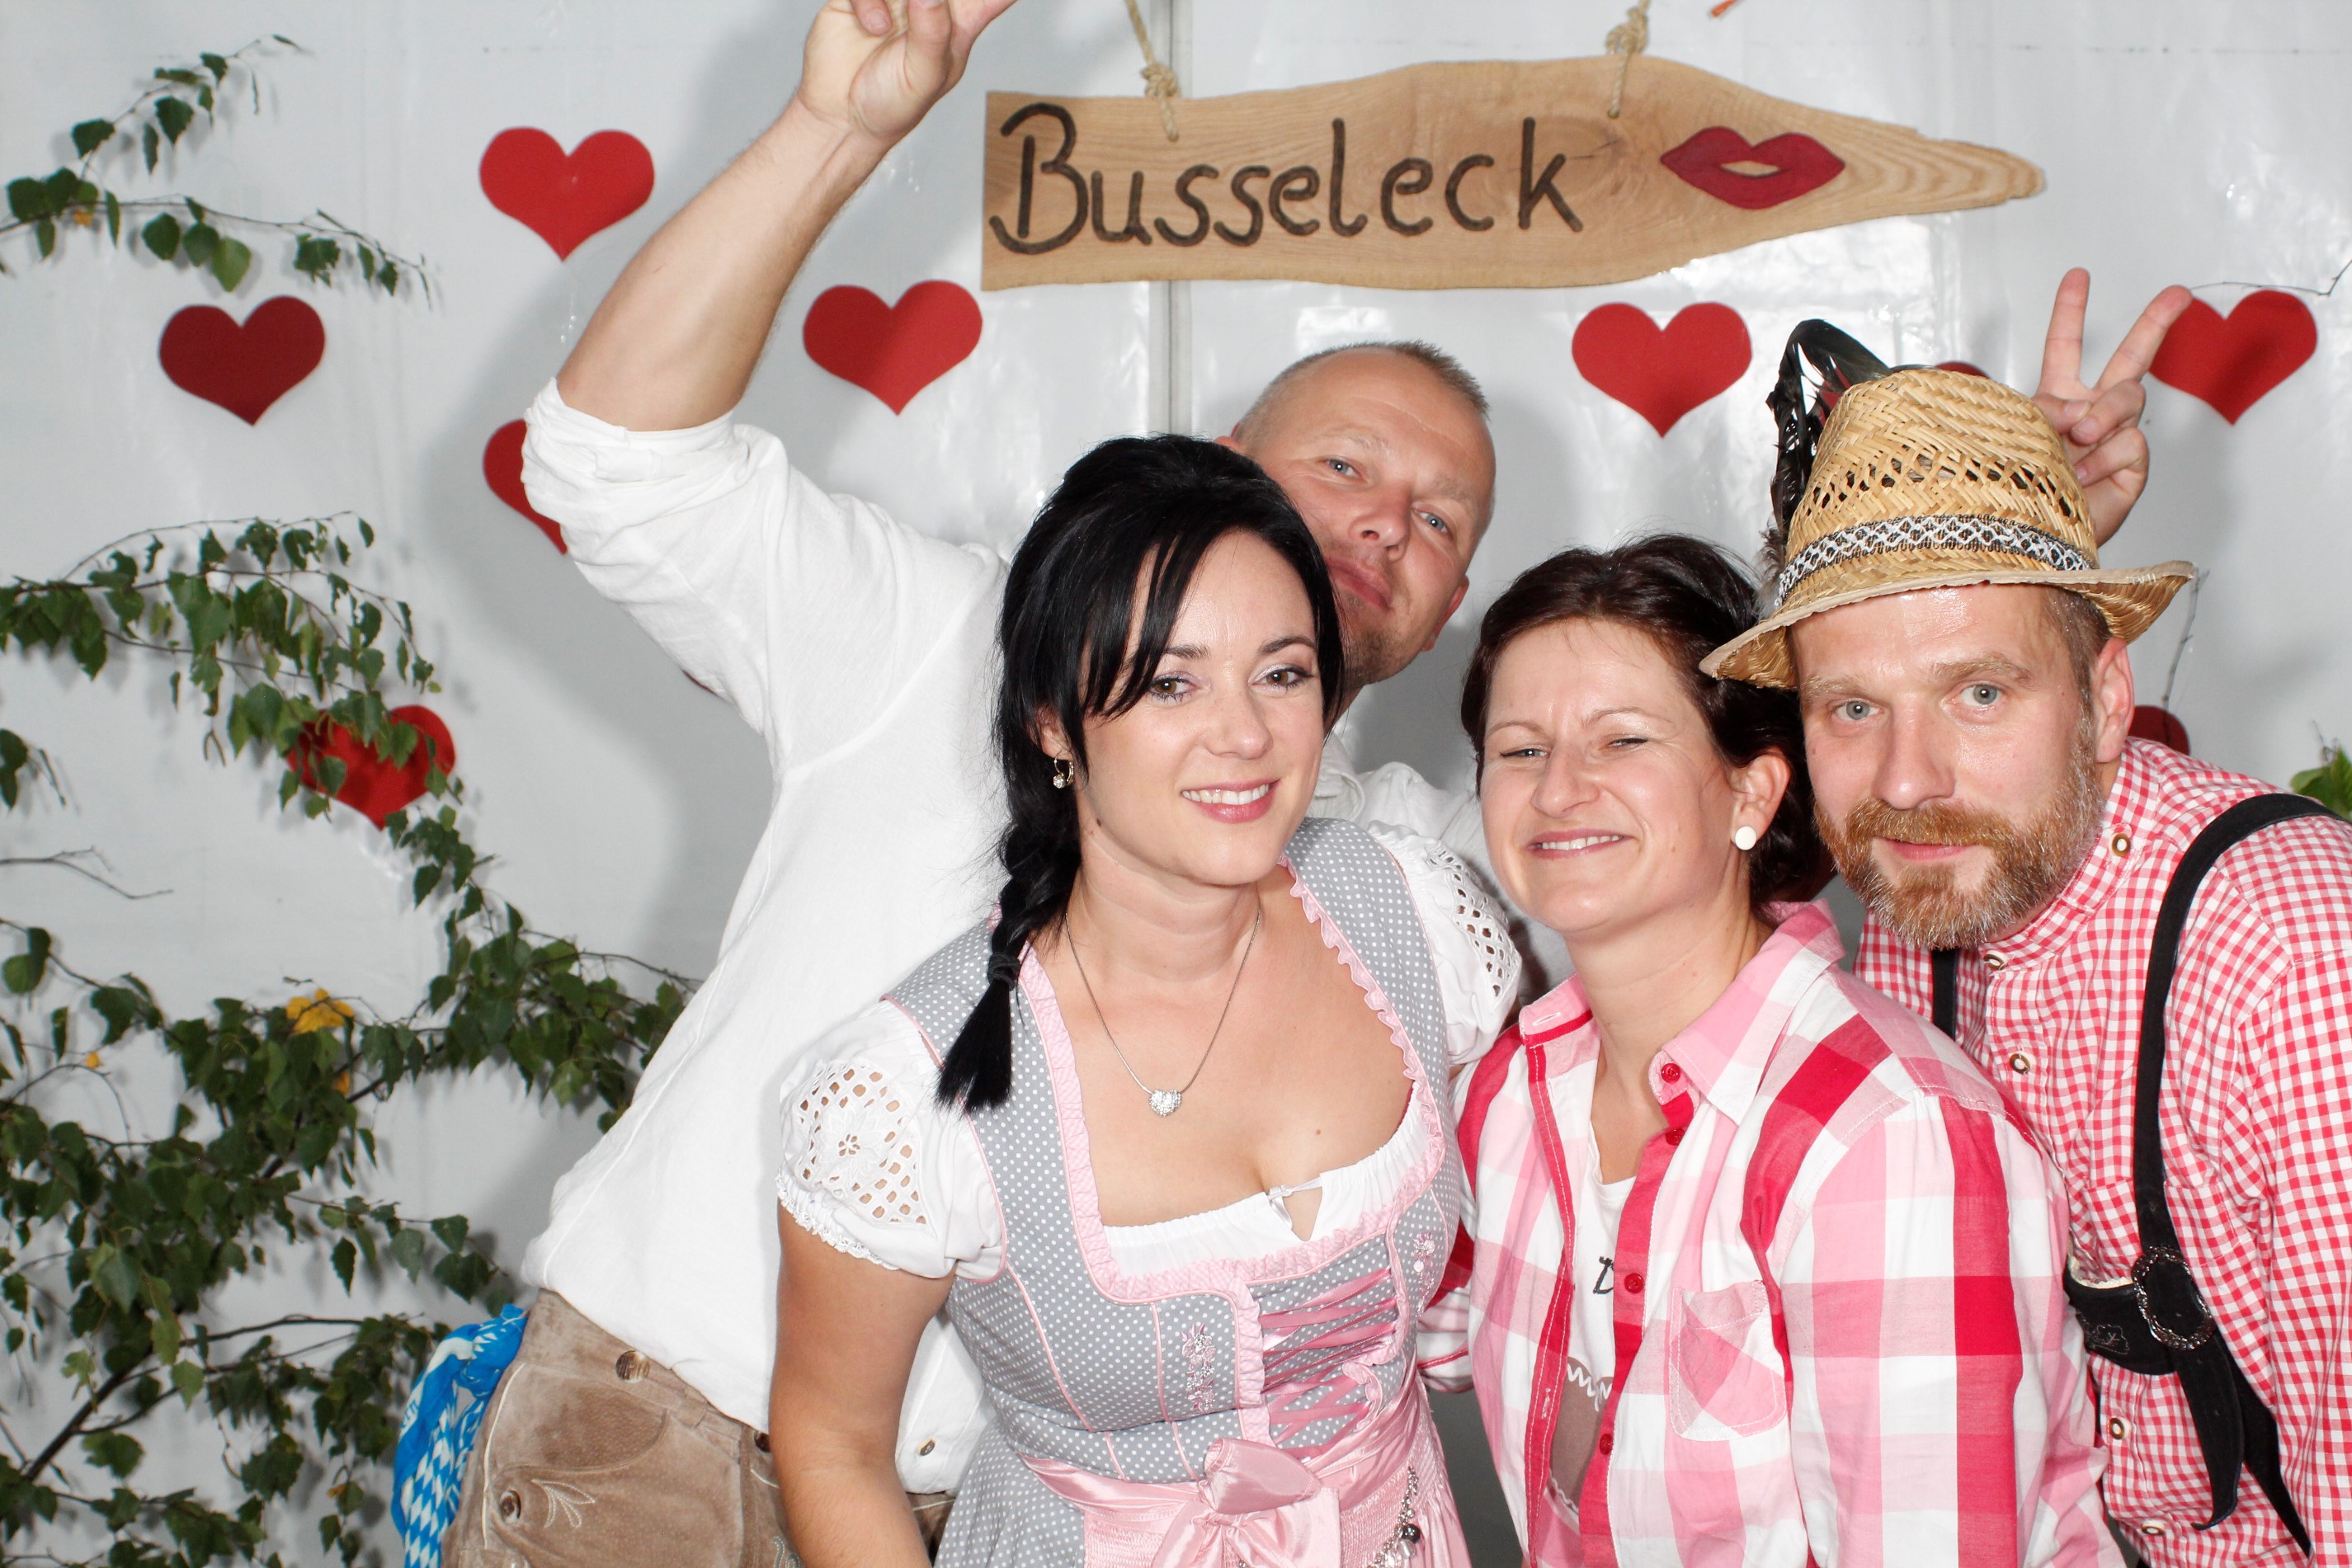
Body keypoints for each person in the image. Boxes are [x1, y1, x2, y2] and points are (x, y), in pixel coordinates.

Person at [447, 0, 2187, 1551]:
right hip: (680, 1442)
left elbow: (1713, 868)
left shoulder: (1407, 875)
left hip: (1020, 1509)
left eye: (1441, 519)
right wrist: (838, 125)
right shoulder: (948, 631)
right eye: (1344, 466)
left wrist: (1982, 575)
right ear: (1215, 469)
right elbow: (606, 464)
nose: (1383, 525)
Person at [769, 432, 1517, 1566]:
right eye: (1172, 682)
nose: (1245, 734)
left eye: (1281, 673)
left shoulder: (1411, 914)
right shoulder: (909, 1086)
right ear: (1051, 720)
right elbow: (830, 1445)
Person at [1704, 325, 2352, 1561]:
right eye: (1853, 706)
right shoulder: (1926, 898)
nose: (1907, 779)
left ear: (2105, 700)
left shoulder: (2289, 954)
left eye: (1980, 693)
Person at [1447, 536, 2115, 1564]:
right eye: (1520, 750)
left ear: (1752, 795)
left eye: (1623, 739)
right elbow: (1377, 1345)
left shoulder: (1882, 1135)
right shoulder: (1505, 1093)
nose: (1560, 788)